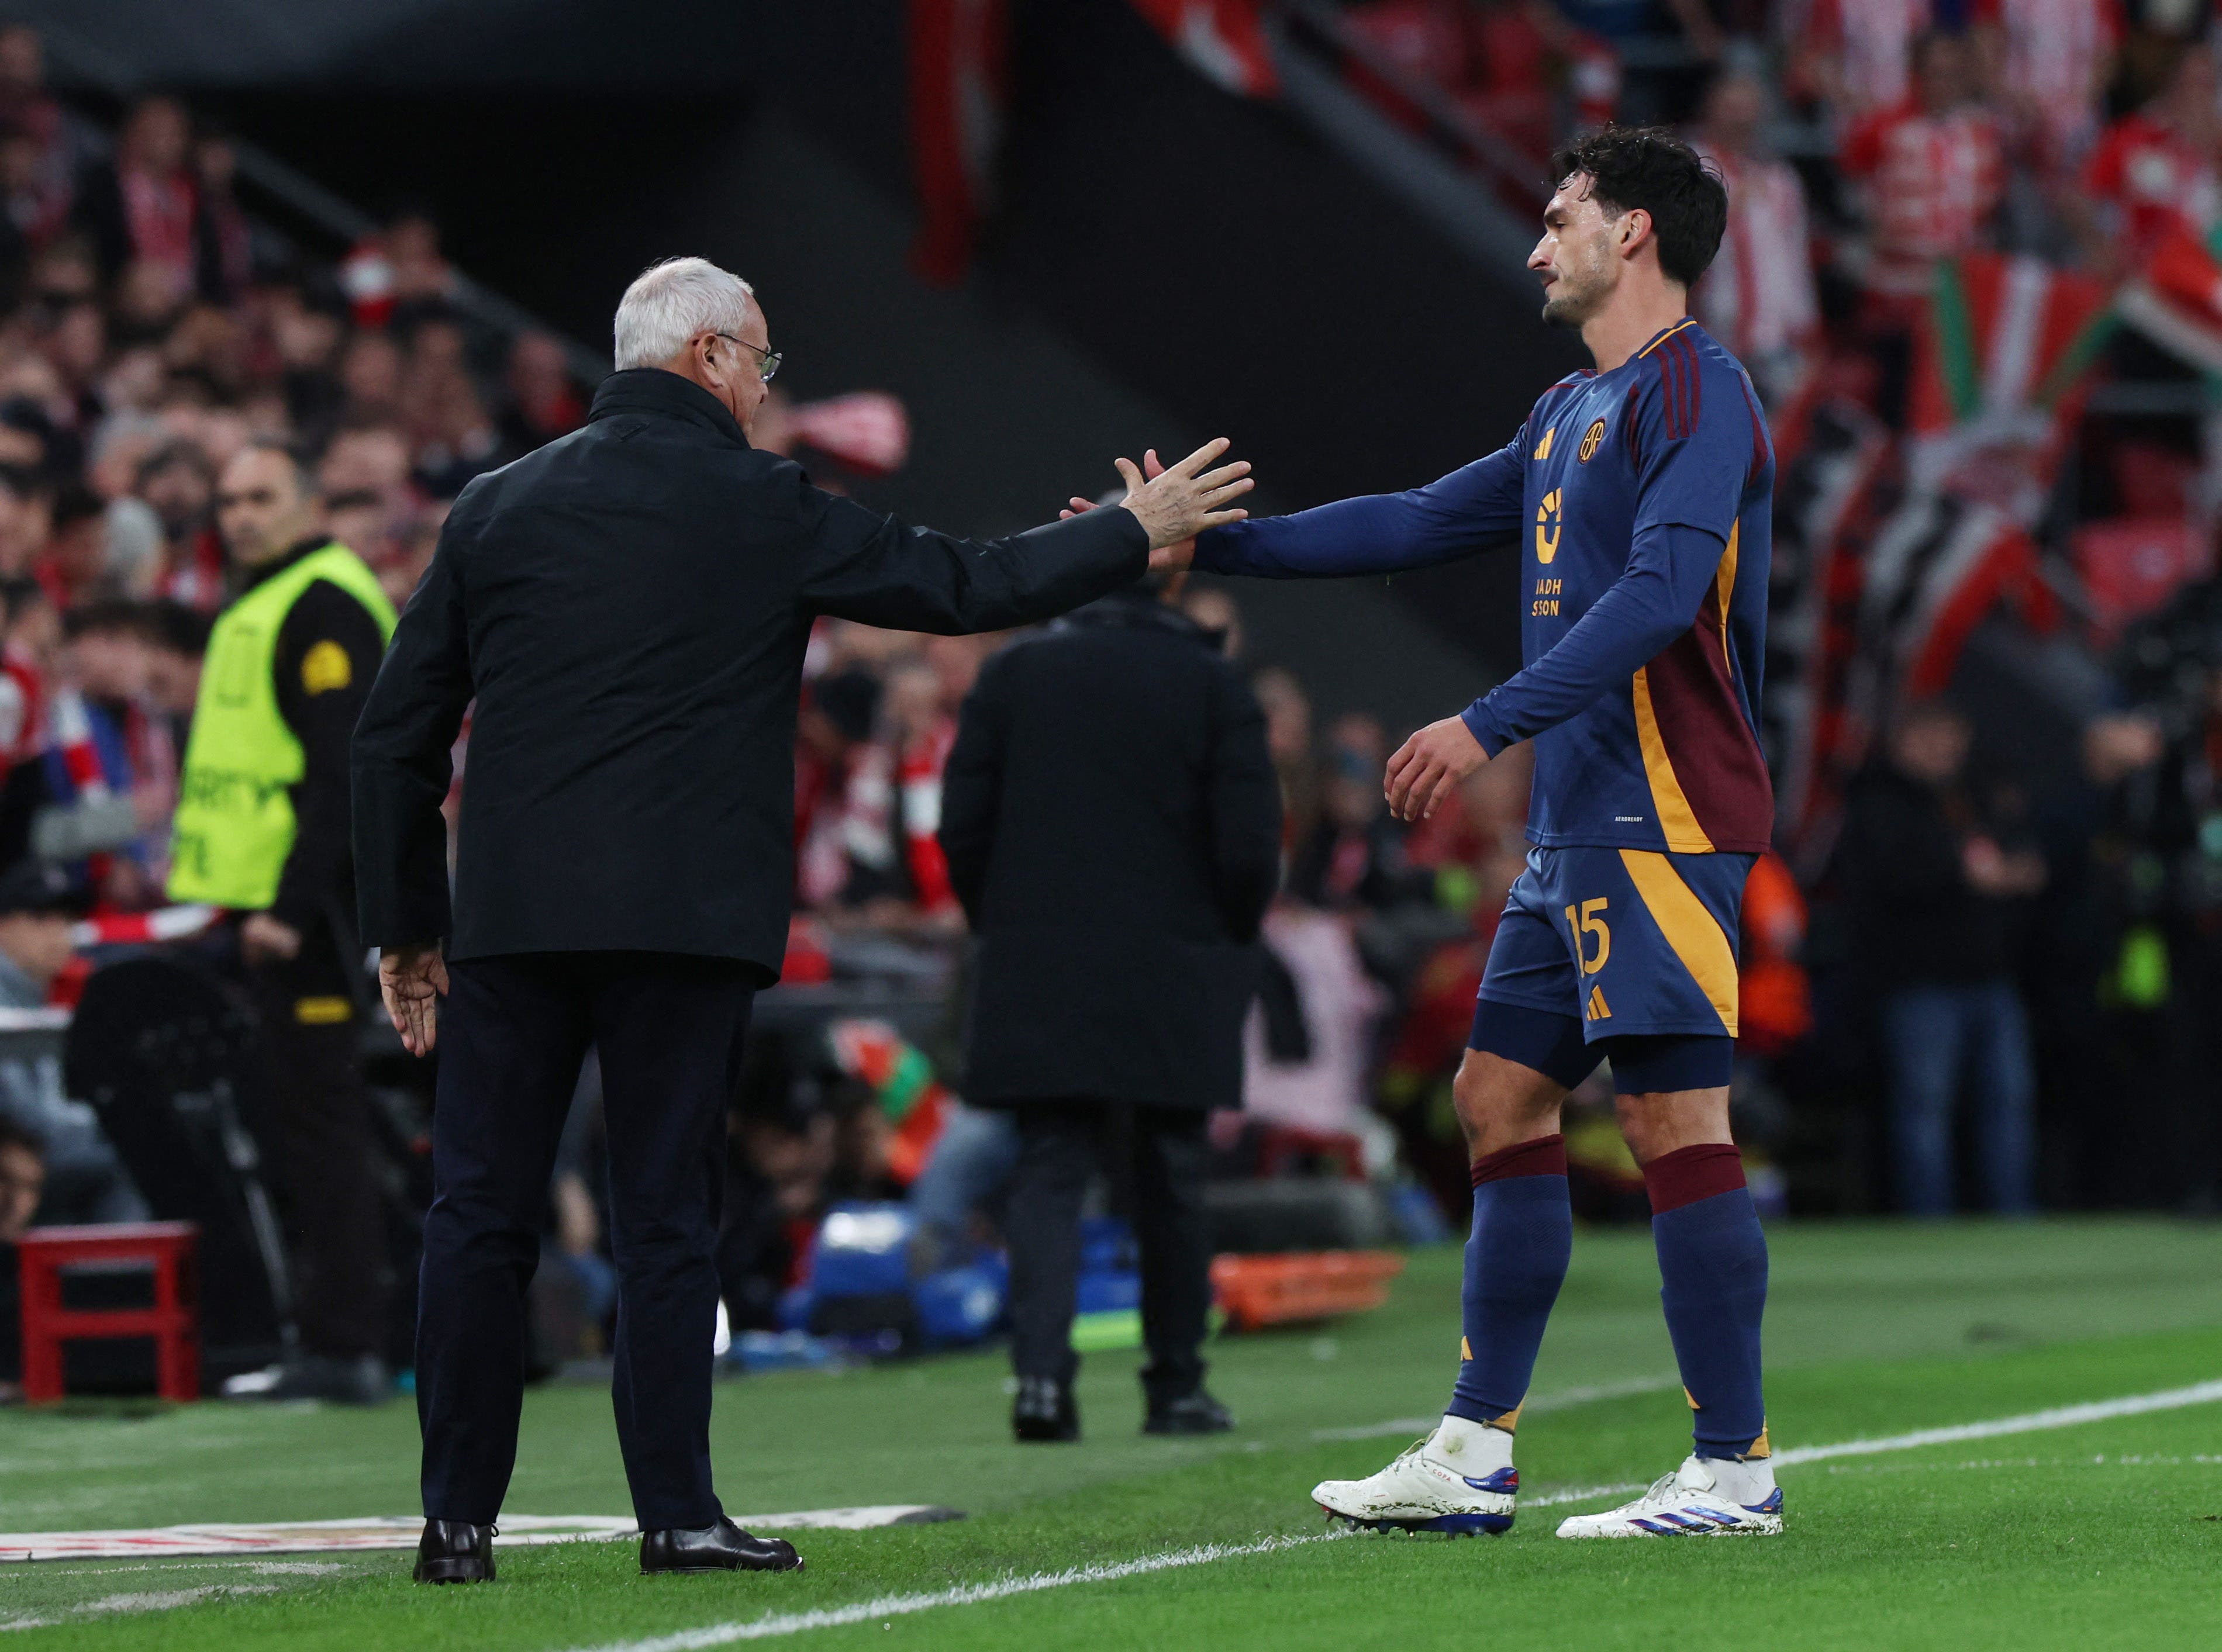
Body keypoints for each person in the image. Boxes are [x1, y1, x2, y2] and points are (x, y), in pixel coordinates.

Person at [351, 256, 1251, 1585]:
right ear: (710, 356)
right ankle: (674, 1513)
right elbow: (966, 586)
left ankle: (454, 1524)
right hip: (684, 921)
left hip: (515, 921)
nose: (768, 392)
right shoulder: (757, 501)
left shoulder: (496, 506)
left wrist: (407, 927)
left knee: (477, 1213)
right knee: (664, 1214)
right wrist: (1131, 524)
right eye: (762, 364)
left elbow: (394, 741)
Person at [1170, 127, 1782, 1539]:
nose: (1533, 244)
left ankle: (1732, 1464)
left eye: (1557, 217)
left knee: (1669, 1117)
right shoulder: (1569, 407)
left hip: (1665, 815)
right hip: (1575, 827)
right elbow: (1409, 520)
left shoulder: (1704, 393)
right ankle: (1471, 1450)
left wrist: (1481, 721)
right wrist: (1201, 541)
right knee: (1496, 1100)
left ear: (1631, 232)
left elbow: (1656, 597)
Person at [937, 566, 1281, 1442]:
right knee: (1171, 1172)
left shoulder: (1015, 672)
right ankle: (1175, 1384)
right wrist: (1224, 936)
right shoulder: (1211, 681)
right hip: (1174, 958)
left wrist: (1002, 924)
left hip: (1041, 954)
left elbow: (962, 822)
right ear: (1171, 582)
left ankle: (1042, 1387)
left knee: (1048, 1168)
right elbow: (1249, 842)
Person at [168, 438, 397, 1406]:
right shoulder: (274, 598)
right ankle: (335, 1332)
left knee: (322, 1135)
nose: (242, 514)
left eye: (262, 496)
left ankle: (345, 1345)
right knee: (308, 1131)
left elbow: (342, 774)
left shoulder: (321, 604)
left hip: (305, 924)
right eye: (229, 499)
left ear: (307, 503)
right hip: (274, 916)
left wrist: (288, 909)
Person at [1837, 700, 2041, 1215]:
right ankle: (1929, 1224)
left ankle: (2014, 1222)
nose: (1945, 749)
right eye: (1932, 738)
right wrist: (1962, 877)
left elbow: (2020, 855)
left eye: (1953, 738)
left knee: (2008, 1105)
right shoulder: (1878, 801)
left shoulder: (1974, 796)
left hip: (1992, 980)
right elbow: (1885, 882)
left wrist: (2013, 873)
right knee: (1924, 1111)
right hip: (1919, 986)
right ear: (1902, 740)